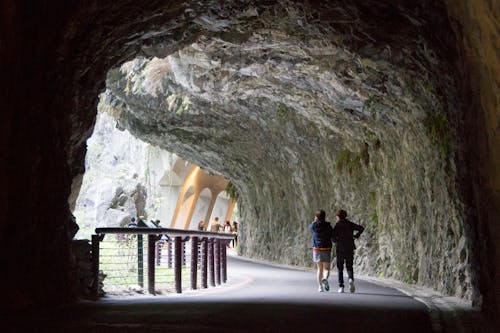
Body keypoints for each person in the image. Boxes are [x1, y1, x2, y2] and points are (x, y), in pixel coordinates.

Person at [332, 209, 364, 293]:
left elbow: (333, 237)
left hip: (340, 248)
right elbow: (361, 228)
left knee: (340, 268)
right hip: (349, 247)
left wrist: (336, 240)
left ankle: (341, 286)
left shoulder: (337, 225)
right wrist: (356, 236)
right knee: (349, 266)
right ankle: (350, 279)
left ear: (338, 217)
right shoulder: (350, 224)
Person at [308, 210, 334, 292]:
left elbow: (310, 228)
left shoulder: (314, 226)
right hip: (326, 248)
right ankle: (325, 278)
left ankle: (320, 287)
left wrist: (314, 222)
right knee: (326, 268)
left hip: (317, 249)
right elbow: (332, 234)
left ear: (316, 217)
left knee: (319, 269)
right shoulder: (328, 226)